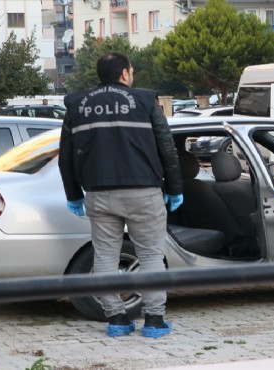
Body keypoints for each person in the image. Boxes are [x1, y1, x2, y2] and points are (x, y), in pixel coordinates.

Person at [58, 52, 183, 338]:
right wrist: (175, 189)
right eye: (132, 71)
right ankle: (153, 321)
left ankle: (116, 318)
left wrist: (73, 194)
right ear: (125, 74)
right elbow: (167, 150)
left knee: (104, 257)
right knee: (151, 255)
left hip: (99, 195)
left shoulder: (77, 105)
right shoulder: (145, 101)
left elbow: (65, 156)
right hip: (143, 192)